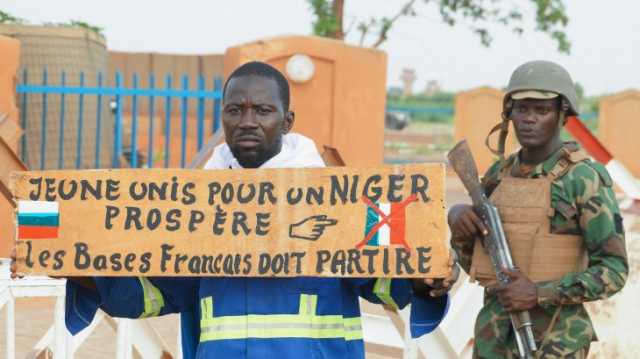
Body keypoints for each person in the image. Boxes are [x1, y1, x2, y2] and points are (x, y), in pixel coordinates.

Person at [13, 61, 458, 358]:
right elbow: (151, 294)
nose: (247, 121)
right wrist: (82, 264)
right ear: (222, 118)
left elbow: (393, 285)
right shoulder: (193, 207)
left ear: (287, 121)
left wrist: (428, 280)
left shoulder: (340, 200)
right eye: (235, 110)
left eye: (263, 109)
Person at [448, 60, 628, 358]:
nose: (529, 119)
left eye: (542, 111)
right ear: (510, 114)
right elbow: (478, 265)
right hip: (493, 339)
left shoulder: (582, 179)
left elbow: (613, 270)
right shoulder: (498, 176)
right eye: (522, 109)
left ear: (562, 115)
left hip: (555, 342)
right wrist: (459, 226)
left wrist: (539, 292)